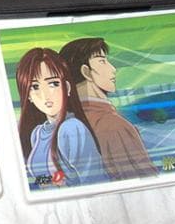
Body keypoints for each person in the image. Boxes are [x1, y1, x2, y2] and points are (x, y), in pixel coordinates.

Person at [59, 37, 158, 180]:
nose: (113, 69)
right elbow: (146, 181)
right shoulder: (113, 125)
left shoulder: (65, 122)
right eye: (102, 61)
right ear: (86, 72)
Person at [15, 47, 107, 188]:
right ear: (28, 96)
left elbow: (94, 181)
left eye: (53, 84)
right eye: (35, 87)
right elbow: (43, 179)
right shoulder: (37, 133)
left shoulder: (71, 128)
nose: (45, 95)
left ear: (67, 88)